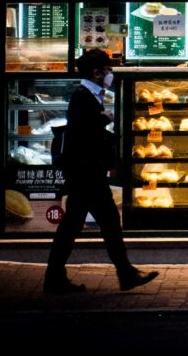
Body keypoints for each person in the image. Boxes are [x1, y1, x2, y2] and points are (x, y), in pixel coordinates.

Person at [44, 49, 158, 294]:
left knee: (83, 224)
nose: (110, 74)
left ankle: (57, 277)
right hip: (86, 174)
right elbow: (80, 132)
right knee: (101, 222)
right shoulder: (82, 96)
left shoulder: (91, 94)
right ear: (96, 73)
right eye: (107, 70)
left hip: (87, 173)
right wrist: (102, 119)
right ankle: (124, 273)